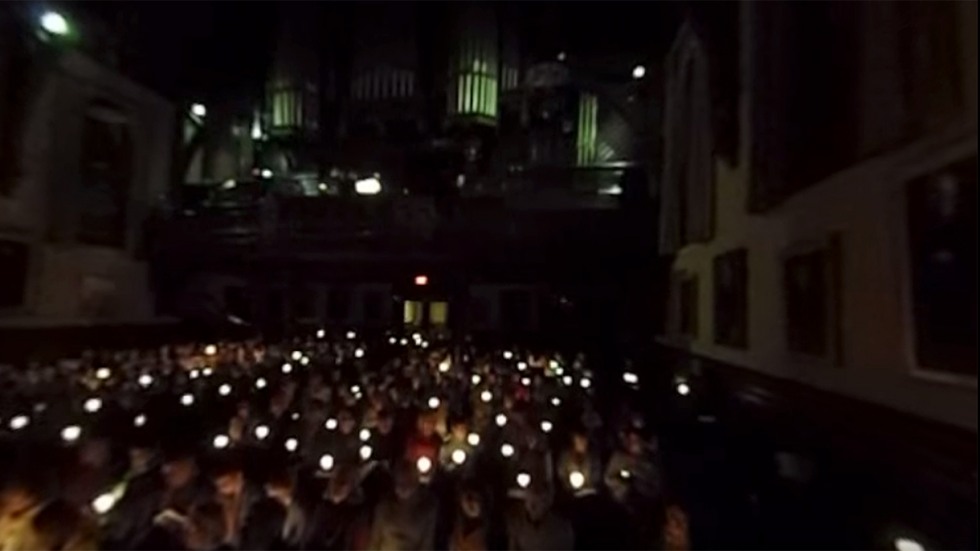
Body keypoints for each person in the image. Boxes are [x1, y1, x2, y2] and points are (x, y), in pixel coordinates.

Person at [367, 461, 438, 551]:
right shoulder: (384, 507)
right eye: (400, 482)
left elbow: (427, 544)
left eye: (408, 482)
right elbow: (374, 540)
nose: (403, 487)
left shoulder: (427, 508)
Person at [505, 481, 573, 551]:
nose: (532, 507)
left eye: (537, 503)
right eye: (529, 501)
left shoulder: (561, 529)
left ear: (547, 502)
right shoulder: (518, 525)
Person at [555, 428, 603, 497]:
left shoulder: (592, 457)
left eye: (584, 440)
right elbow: (562, 474)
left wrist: (589, 487)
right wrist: (569, 486)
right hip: (570, 493)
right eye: (579, 440)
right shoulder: (565, 457)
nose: (582, 443)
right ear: (574, 441)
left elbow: (596, 475)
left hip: (589, 493)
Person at [448, 484, 490, 551]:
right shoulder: (456, 528)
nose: (470, 503)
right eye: (467, 498)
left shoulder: (490, 533)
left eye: (476, 498)